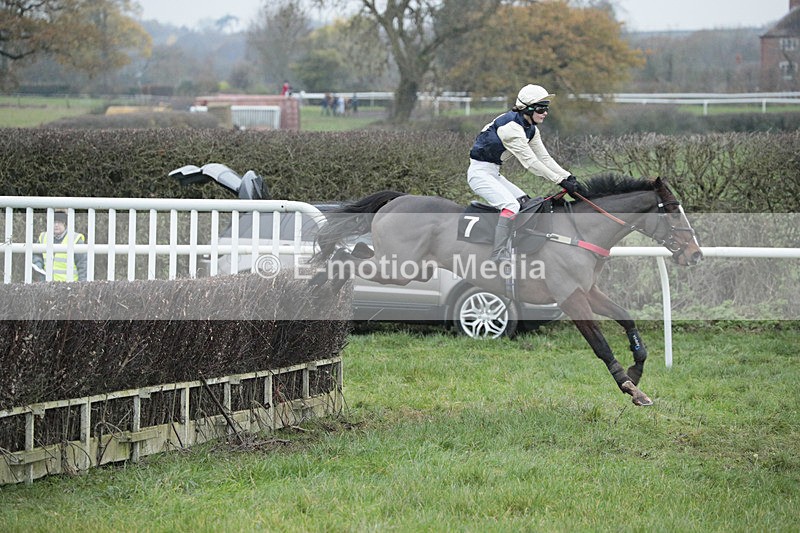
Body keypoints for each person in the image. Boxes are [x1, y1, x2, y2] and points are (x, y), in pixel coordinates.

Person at [467, 84, 582, 263]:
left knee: (526, 203)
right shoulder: (511, 128)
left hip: (493, 173)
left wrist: (567, 176)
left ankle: (517, 245)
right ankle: (498, 253)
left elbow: (544, 157)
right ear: (527, 109)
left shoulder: (531, 128)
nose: (545, 113)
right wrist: (559, 181)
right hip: (479, 173)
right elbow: (531, 163)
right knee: (511, 206)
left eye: (546, 108)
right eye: (541, 108)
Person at [33, 210, 87, 281]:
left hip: (70, 285)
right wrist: (39, 268)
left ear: (65, 224)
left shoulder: (75, 239)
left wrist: (81, 286)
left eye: (59, 222)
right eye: (54, 222)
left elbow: (83, 265)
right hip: (48, 285)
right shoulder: (43, 237)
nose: (56, 225)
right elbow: (36, 256)